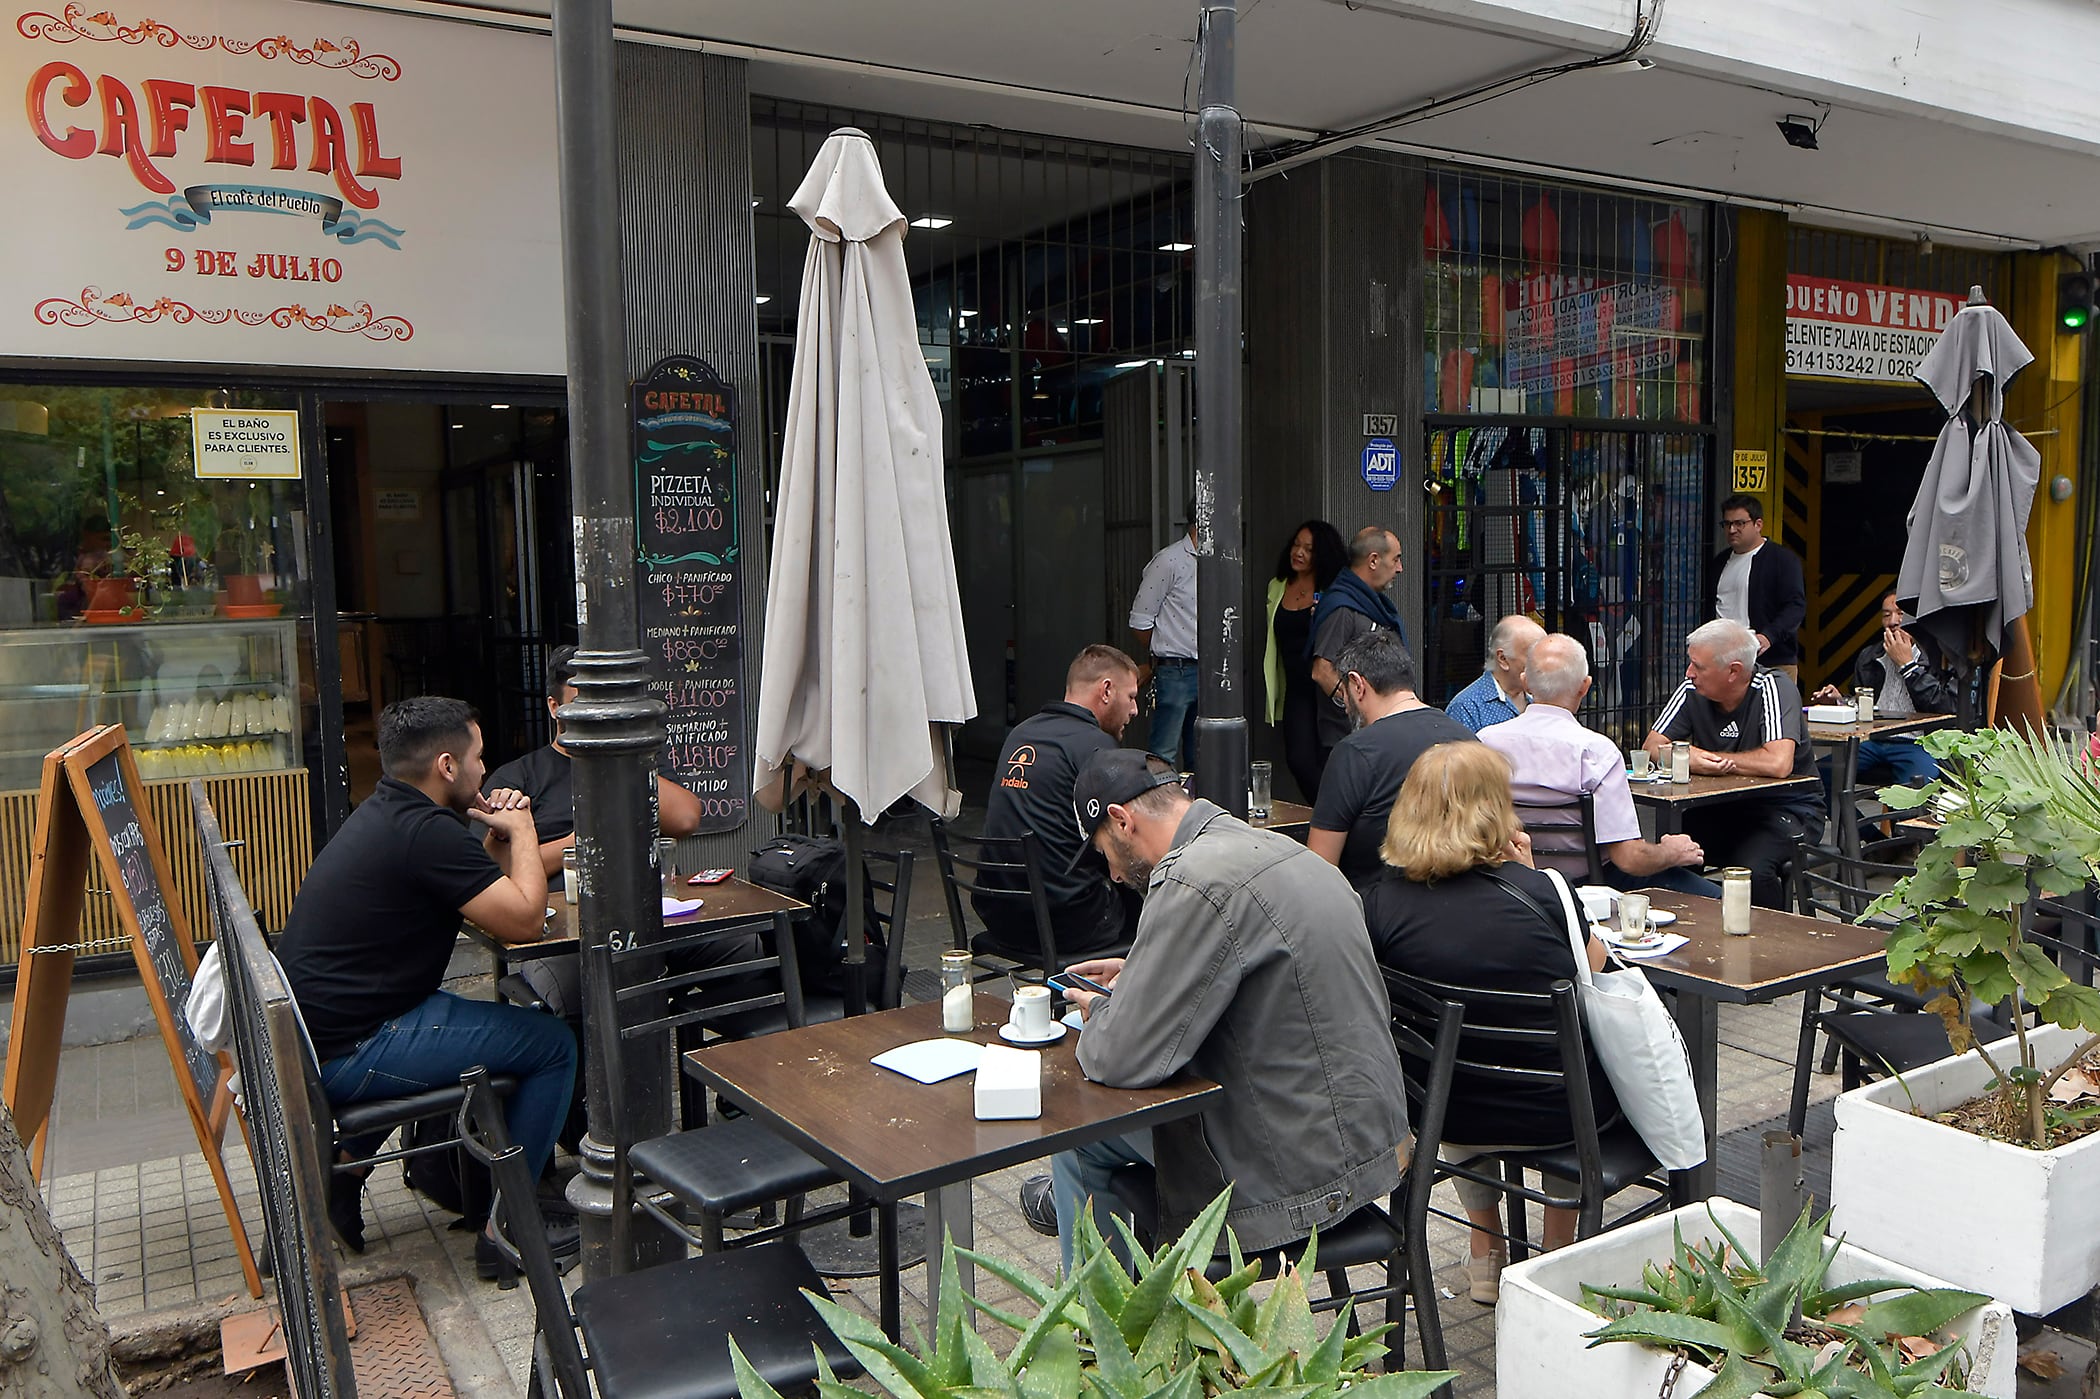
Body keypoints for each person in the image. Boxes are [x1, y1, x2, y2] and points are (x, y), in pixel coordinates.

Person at [1027, 749, 1411, 1272]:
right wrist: (1143, 972)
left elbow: (1116, 1059)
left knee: (1079, 1133)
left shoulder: (1192, 880)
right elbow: (1255, 980)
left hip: (1295, 1178)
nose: (1113, 875)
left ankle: (1101, 1335)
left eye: (1104, 854)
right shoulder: (1284, 849)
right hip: (1375, 1149)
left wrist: (1101, 1011)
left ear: (1121, 819)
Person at [276, 697, 576, 1276]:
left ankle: (345, 1172)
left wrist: (495, 839)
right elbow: (524, 921)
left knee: (453, 1018)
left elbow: (479, 893)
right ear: (446, 766)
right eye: (478, 758)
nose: (484, 771)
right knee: (551, 1045)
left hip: (327, 1030)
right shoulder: (425, 834)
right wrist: (524, 828)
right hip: (350, 1049)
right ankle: (508, 1230)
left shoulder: (391, 810)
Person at [1359, 741, 1614, 1303]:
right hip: (1555, 1112)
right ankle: (1555, 1257)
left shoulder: (1377, 903)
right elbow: (1600, 971)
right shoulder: (1542, 892)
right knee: (1571, 1067)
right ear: (1494, 810)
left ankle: (1485, 1253)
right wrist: (1532, 876)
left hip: (1442, 1112)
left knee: (1452, 1059)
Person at [1480, 633, 1716, 895]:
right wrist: (1671, 852)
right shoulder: (1596, 751)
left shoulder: (1485, 741)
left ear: (1526, 683)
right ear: (1585, 686)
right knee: (1715, 896)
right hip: (1588, 885)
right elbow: (1629, 858)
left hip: (1509, 881)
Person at [974, 644, 1143, 958]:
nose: (1134, 710)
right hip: (1063, 927)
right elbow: (1124, 838)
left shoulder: (1020, 734)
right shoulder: (1096, 747)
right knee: (1148, 904)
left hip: (999, 917)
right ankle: (1121, 1003)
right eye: (1131, 697)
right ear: (1106, 691)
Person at [1643, 620, 1824, 907]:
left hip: (1785, 810)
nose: (1689, 673)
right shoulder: (1692, 689)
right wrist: (1689, 757)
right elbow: (1652, 746)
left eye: (1698, 667)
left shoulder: (1773, 687)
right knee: (1673, 854)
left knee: (1752, 871)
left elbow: (1779, 762)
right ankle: (1690, 931)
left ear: (1734, 671)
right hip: (1719, 809)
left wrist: (1711, 760)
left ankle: (1770, 942)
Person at [485, 645, 702, 875]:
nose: (593, 713)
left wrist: (617, 752)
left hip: (645, 899)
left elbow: (685, 819)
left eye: (601, 702)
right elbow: (499, 872)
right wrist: (579, 841)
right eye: (582, 702)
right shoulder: (519, 777)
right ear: (555, 707)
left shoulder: (639, 761)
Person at [1307, 629, 1476, 886]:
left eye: (1343, 699)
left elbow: (1319, 869)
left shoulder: (1354, 753)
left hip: (1373, 915)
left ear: (1357, 684)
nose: (1347, 708)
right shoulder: (1469, 740)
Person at [1810, 592, 1958, 788]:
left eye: (1901, 614)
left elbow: (1946, 706)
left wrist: (1908, 666)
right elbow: (1864, 706)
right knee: (1814, 778)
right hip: (1874, 740)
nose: (1893, 622)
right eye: (1886, 615)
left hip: (1919, 743)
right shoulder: (1870, 656)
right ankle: (1856, 821)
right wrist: (1840, 702)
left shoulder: (1939, 658)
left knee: (1921, 785)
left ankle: (1903, 820)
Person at [1309, 526, 1409, 770]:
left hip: (1377, 732)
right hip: (1349, 738)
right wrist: (1358, 707)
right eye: (1395, 559)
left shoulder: (1370, 602)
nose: (1400, 568)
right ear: (1373, 560)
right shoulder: (1342, 607)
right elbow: (1321, 670)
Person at [1264, 520, 1348, 800]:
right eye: (1296, 545)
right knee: (1299, 759)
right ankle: (1328, 814)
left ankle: (1334, 821)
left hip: (1325, 685)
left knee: (1330, 758)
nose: (1298, 552)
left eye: (1308, 549)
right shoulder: (1277, 586)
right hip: (1295, 687)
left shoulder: (1333, 589)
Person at [1128, 506, 1200, 766]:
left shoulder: (1218, 561)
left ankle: (1195, 807)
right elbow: (1139, 621)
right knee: (1163, 755)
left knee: (1202, 756)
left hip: (1209, 672)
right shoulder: (1168, 561)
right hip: (1175, 671)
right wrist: (1164, 650)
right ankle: (1159, 805)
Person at [1708, 494, 1806, 681]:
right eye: (1727, 524)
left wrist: (1768, 637)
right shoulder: (1719, 563)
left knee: (1773, 710)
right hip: (1725, 661)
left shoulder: (1782, 560)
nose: (1732, 529)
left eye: (1739, 523)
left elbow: (1795, 607)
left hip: (1771, 661)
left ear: (1758, 524)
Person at [1445, 614, 1545, 733]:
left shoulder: (1542, 697)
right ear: (1503, 659)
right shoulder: (1466, 708)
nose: (1542, 664)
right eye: (1533, 656)